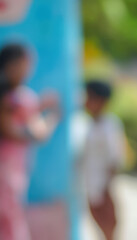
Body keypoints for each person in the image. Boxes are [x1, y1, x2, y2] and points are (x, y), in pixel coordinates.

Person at [0, 43, 59, 240]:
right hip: (6, 167)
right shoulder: (8, 97)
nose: (29, 69)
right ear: (12, 65)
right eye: (26, 63)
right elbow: (18, 130)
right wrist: (51, 117)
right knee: (8, 215)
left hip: (14, 166)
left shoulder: (17, 96)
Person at [80, 80, 125, 240]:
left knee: (108, 224)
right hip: (91, 183)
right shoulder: (87, 124)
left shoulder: (110, 125)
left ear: (101, 101)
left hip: (102, 184)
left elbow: (116, 158)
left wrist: (106, 186)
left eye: (89, 97)